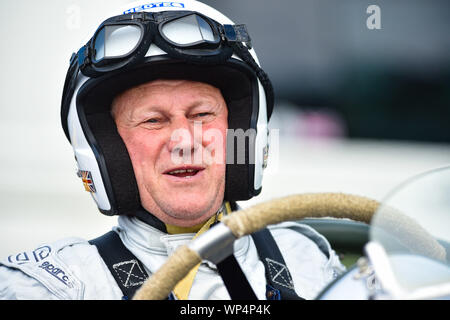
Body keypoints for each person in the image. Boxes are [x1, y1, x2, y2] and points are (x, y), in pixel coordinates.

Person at [0, 0, 344, 300]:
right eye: (153, 120)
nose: (184, 141)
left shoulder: (308, 262)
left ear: (241, 132)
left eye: (201, 115)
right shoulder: (52, 285)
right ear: (109, 150)